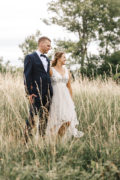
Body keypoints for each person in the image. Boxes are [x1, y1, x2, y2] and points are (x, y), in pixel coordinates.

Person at [46, 52, 84, 139]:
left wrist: (71, 100)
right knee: (56, 119)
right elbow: (47, 85)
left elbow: (69, 86)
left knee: (68, 120)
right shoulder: (51, 70)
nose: (65, 59)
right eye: (64, 57)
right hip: (55, 97)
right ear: (58, 58)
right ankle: (51, 138)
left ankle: (59, 138)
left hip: (66, 98)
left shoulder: (67, 70)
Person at [24, 36, 53, 138]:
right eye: (48, 45)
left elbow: (47, 76)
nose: (50, 48)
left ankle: (41, 139)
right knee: (32, 117)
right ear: (41, 44)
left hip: (48, 93)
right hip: (36, 93)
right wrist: (29, 93)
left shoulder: (47, 59)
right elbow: (27, 76)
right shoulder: (30, 57)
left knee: (45, 117)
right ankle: (26, 140)